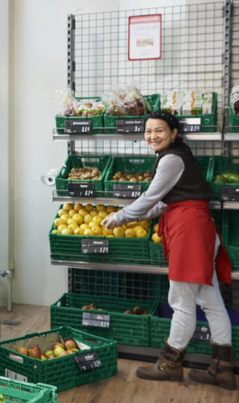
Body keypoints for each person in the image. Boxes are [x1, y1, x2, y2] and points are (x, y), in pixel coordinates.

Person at [101, 111, 236, 390]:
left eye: (159, 130)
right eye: (148, 131)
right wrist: (147, 214)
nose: (152, 136)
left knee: (181, 301)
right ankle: (222, 368)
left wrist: (121, 216)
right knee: (210, 301)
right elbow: (172, 198)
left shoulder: (172, 158)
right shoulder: (176, 155)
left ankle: (169, 364)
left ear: (174, 132)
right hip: (195, 228)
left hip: (189, 233)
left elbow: (152, 195)